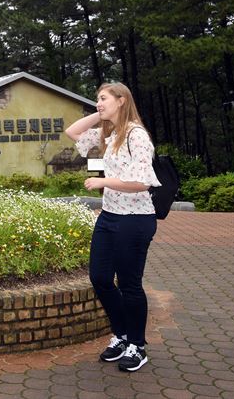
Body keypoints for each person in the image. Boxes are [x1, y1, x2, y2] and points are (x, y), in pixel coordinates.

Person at [65, 82, 161, 372]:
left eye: (104, 98)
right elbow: (73, 132)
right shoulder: (110, 133)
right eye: (97, 99)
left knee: (130, 284)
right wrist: (99, 114)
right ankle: (120, 335)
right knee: (101, 278)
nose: (99, 102)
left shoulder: (136, 135)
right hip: (109, 216)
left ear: (122, 100)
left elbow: (142, 182)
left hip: (135, 220)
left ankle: (137, 345)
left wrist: (102, 181)